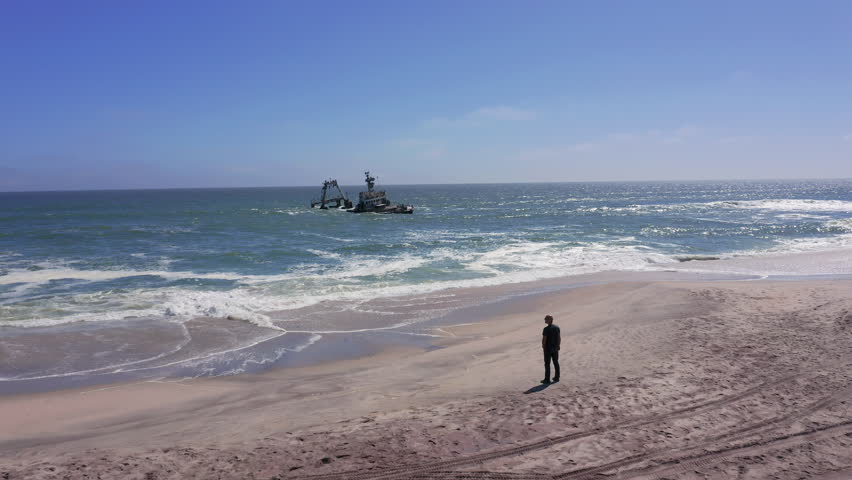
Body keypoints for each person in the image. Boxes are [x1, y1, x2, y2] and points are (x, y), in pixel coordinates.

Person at [541, 314, 560, 384]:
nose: (545, 320)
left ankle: (547, 379)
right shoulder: (557, 327)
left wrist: (543, 346)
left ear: (550, 320)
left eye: (546, 319)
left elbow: (544, 339)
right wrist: (558, 345)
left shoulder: (546, 329)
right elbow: (559, 338)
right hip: (555, 348)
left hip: (548, 349)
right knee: (556, 362)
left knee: (547, 364)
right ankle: (557, 377)